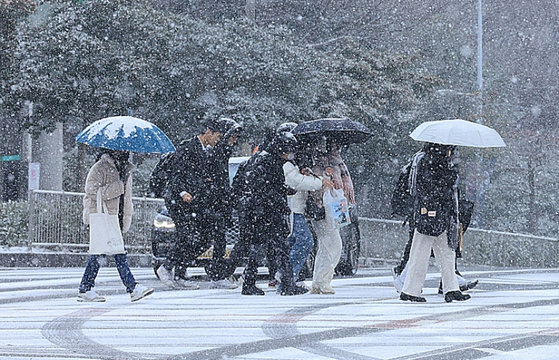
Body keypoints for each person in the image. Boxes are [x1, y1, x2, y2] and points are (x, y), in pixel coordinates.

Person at [156, 118, 235, 290]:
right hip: (179, 201)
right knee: (185, 234)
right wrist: (183, 192)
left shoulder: (204, 150)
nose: (219, 140)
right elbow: (176, 174)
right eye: (218, 136)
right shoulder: (188, 148)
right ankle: (167, 267)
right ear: (208, 132)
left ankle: (178, 273)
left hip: (192, 201)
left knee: (198, 237)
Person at [391, 146, 478, 294]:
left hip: (436, 215)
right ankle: (409, 287)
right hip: (431, 215)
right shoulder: (430, 161)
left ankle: (450, 288)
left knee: (446, 253)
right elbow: (431, 188)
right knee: (422, 253)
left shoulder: (432, 160)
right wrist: (450, 175)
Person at [78, 149, 154, 302]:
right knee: (118, 253)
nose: (124, 152)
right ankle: (132, 287)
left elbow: (126, 197)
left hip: (115, 216)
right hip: (102, 216)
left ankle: (85, 288)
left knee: (99, 253)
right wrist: (119, 186)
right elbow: (91, 191)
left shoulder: (125, 169)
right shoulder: (99, 167)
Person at [240, 132, 308, 296]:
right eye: (288, 150)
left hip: (261, 211)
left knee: (260, 248)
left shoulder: (265, 159)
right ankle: (286, 284)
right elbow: (265, 188)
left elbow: (267, 185)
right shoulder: (269, 161)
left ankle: (250, 283)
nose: (289, 155)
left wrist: (283, 191)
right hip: (267, 212)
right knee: (279, 249)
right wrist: (280, 201)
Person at [282, 155, 334, 292]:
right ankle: (288, 278)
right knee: (305, 241)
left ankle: (286, 277)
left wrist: (323, 177)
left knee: (289, 244)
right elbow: (298, 182)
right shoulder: (288, 166)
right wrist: (321, 181)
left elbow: (307, 181)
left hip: (297, 209)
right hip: (293, 209)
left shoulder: (296, 166)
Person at [308, 137, 349, 294]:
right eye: (333, 146)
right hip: (324, 210)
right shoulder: (322, 164)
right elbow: (316, 188)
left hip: (331, 209)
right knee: (334, 246)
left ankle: (319, 282)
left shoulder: (336, 164)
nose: (336, 150)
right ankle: (322, 282)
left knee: (326, 247)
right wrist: (326, 177)